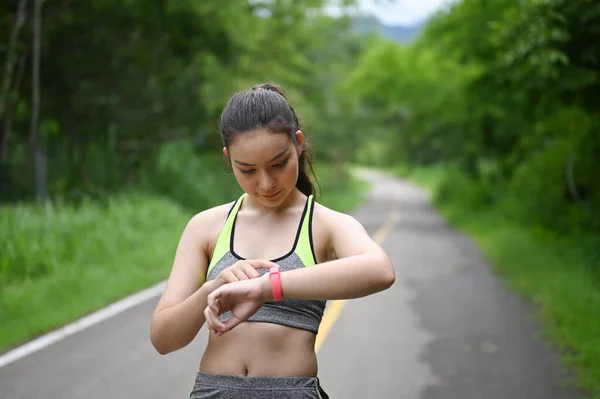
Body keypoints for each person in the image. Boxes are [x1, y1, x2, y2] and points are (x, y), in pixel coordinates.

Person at [150, 83, 396, 398]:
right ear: (228, 159)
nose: (266, 183)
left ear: (298, 144)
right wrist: (212, 290)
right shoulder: (206, 226)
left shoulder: (325, 225)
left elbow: (380, 270)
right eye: (247, 170)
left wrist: (266, 287)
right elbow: (162, 339)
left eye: (278, 164)